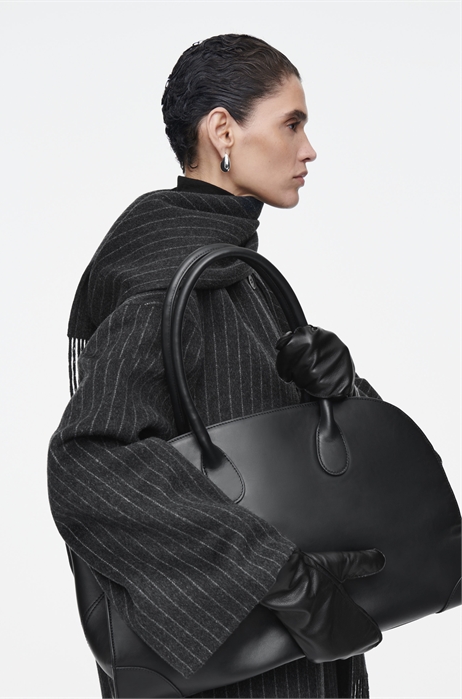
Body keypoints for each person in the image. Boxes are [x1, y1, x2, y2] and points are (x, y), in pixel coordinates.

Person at [48, 34, 385, 699]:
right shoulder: (165, 281)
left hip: (284, 654)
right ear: (223, 130)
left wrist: (340, 391)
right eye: (291, 124)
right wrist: (280, 576)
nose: (309, 149)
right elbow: (88, 459)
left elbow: (298, 463)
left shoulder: (235, 272)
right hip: (235, 670)